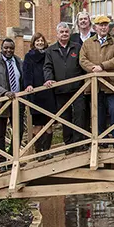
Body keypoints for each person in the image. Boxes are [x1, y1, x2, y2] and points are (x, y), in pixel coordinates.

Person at [80, 15, 114, 146]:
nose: (103, 27)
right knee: (98, 113)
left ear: (108, 27)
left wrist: (102, 66)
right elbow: (82, 60)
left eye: (105, 25)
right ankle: (101, 140)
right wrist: (94, 69)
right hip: (94, 85)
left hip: (111, 84)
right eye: (100, 25)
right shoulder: (87, 43)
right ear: (95, 27)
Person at [44, 22, 87, 151]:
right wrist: (49, 79)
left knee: (80, 115)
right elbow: (47, 67)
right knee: (65, 118)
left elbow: (83, 65)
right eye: (61, 32)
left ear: (69, 33)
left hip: (77, 88)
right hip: (61, 90)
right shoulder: (51, 50)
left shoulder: (77, 47)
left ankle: (78, 143)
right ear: (57, 34)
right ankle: (68, 145)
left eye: (66, 32)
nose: (64, 34)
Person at [0, 38, 25, 173]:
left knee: (18, 131)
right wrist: (4, 93)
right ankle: (1, 163)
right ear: (2, 48)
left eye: (11, 48)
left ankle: (13, 159)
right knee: (0, 134)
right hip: (0, 102)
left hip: (17, 102)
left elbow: (23, 79)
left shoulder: (19, 61)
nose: (8, 50)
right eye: (6, 48)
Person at [22, 33, 57, 156]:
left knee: (48, 123)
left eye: (42, 41)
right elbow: (26, 72)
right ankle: (39, 152)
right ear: (33, 43)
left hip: (48, 92)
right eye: (37, 41)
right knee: (38, 124)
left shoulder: (49, 54)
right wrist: (28, 85)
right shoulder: (28, 56)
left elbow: (52, 69)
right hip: (35, 94)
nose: (40, 43)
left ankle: (47, 151)